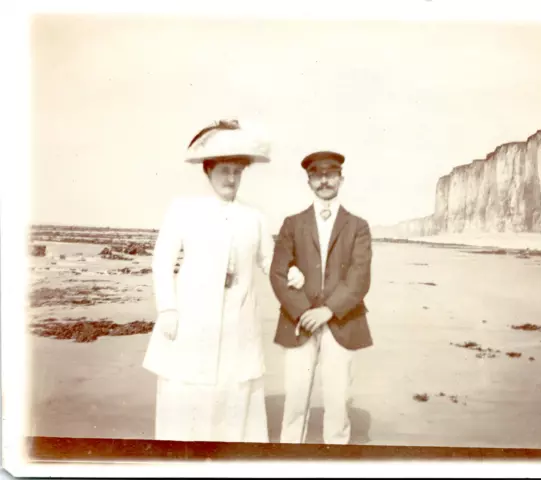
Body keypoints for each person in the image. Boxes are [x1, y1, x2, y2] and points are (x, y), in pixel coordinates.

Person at [142, 119, 304, 443]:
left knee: (234, 396)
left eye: (237, 171)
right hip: (190, 322)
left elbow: (269, 261)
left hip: (238, 324)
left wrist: (292, 271)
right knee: (188, 395)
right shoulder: (183, 209)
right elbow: (162, 261)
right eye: (224, 170)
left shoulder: (254, 216)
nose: (231, 178)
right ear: (208, 170)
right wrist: (168, 309)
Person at [269, 150, 374, 445]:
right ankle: (289, 462)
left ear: (341, 178)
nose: (324, 180)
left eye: (330, 174)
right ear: (309, 181)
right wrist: (305, 312)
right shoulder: (292, 224)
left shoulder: (359, 226)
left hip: (341, 321)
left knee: (339, 402)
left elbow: (360, 276)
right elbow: (277, 273)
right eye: (317, 175)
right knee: (295, 401)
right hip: (298, 322)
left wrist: (328, 311)